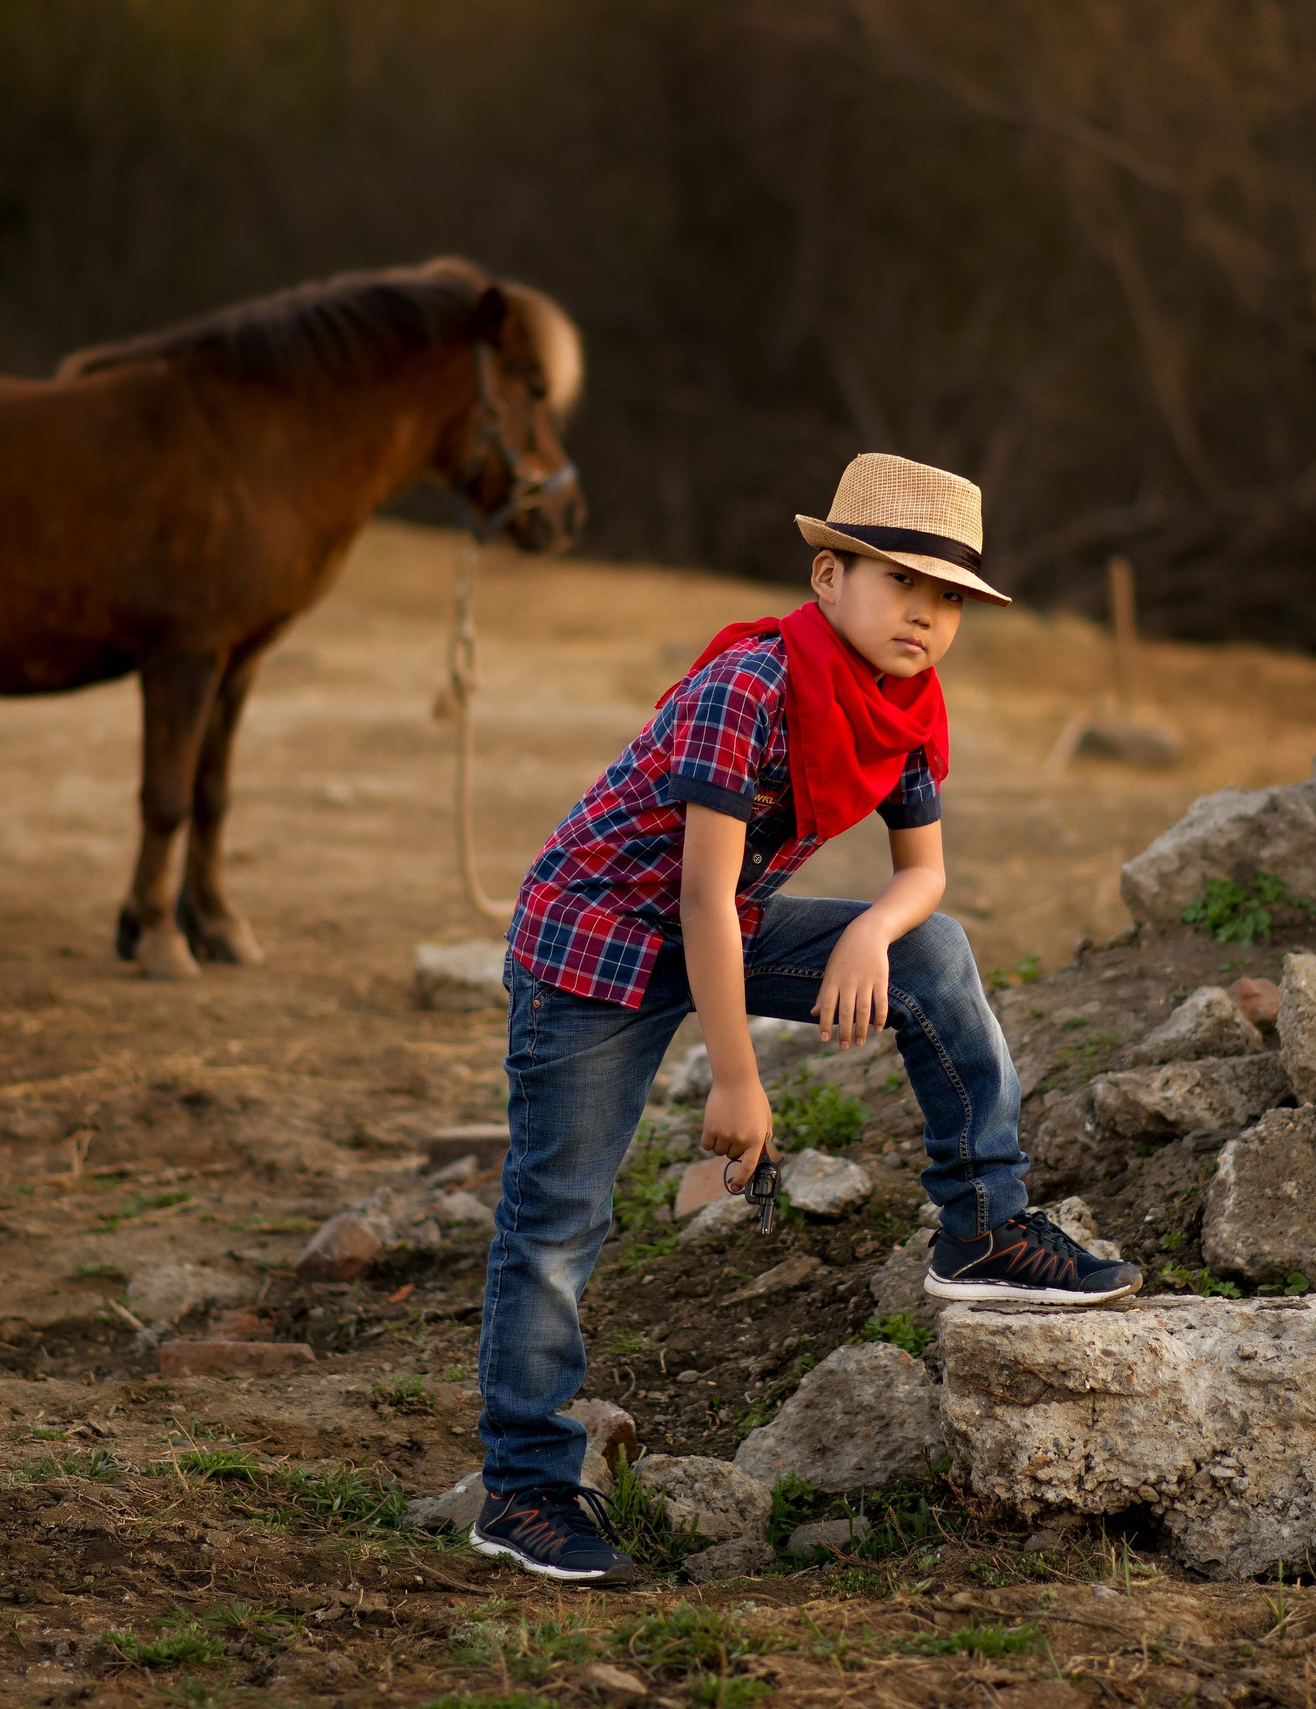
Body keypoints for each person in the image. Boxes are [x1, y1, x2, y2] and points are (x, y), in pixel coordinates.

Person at [467, 453, 1143, 1586]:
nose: (926, 617)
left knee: (932, 947)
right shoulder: (752, 686)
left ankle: (982, 1220)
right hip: (596, 945)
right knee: (557, 1218)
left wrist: (873, 930)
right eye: (900, 585)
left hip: (718, 924)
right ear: (827, 577)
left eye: (949, 602)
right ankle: (523, 1488)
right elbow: (693, 896)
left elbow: (921, 876)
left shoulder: (905, 703)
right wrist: (738, 1081)